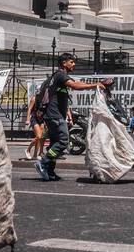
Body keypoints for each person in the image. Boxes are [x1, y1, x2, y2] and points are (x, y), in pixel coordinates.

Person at [35, 53, 110, 181]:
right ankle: (44, 161)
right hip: (54, 115)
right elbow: (76, 86)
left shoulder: (58, 77)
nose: (74, 64)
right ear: (64, 63)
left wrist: (68, 114)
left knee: (54, 142)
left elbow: (76, 84)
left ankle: (49, 171)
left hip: (53, 115)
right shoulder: (60, 75)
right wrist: (96, 84)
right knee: (64, 141)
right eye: (71, 62)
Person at [23, 90, 45, 160]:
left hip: (41, 119)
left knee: (40, 137)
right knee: (38, 136)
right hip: (34, 118)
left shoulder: (45, 99)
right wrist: (27, 119)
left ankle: (35, 155)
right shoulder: (34, 98)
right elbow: (29, 109)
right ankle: (28, 150)